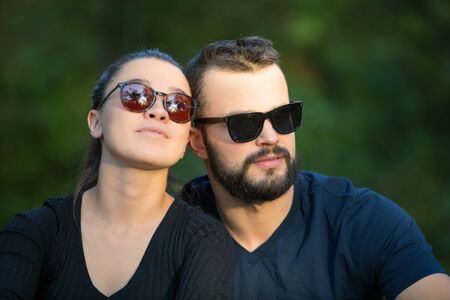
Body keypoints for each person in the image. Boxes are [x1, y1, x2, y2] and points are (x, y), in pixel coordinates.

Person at [181, 37, 450, 299]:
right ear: (197, 141)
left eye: (282, 117)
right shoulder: (170, 234)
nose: (271, 137)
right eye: (243, 125)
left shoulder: (360, 221)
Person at [0, 49, 233, 299]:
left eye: (178, 105)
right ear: (96, 122)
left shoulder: (204, 241)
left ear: (186, 138)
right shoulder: (33, 232)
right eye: (136, 95)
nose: (159, 111)